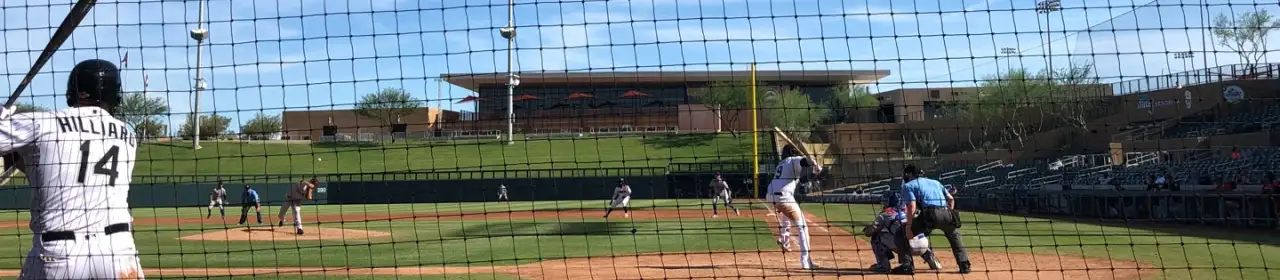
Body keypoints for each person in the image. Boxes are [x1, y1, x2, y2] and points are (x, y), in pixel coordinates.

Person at [7, 59, 145, 279]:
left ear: (73, 90)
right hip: (119, 250)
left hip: (59, 252)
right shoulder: (127, 135)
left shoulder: (41, 122)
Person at [894, 164, 970, 275]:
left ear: (909, 174)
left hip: (930, 215)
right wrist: (948, 212)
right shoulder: (936, 182)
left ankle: (907, 266)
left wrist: (909, 226)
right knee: (955, 237)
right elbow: (951, 199)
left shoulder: (908, 185)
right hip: (947, 213)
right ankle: (964, 265)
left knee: (900, 234)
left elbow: (911, 206)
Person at [766, 144, 821, 270]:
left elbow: (801, 180)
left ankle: (784, 239)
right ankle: (806, 262)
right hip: (784, 197)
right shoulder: (794, 160)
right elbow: (804, 161)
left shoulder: (782, 164)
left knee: (787, 218)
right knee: (802, 227)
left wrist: (815, 172)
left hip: (771, 196)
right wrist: (812, 161)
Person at [864, 193, 942, 273]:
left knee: (876, 237)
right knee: (918, 234)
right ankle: (934, 262)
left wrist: (870, 229)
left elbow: (868, 233)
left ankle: (883, 266)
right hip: (923, 245)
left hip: (905, 247)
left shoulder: (885, 214)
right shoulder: (912, 209)